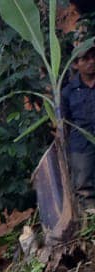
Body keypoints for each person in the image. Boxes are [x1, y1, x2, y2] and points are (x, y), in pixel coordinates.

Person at [63, 47, 95, 206]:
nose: (91, 61)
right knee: (83, 186)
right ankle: (90, 223)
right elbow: (63, 121)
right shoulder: (68, 92)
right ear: (76, 64)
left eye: (93, 57)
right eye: (86, 59)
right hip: (81, 145)